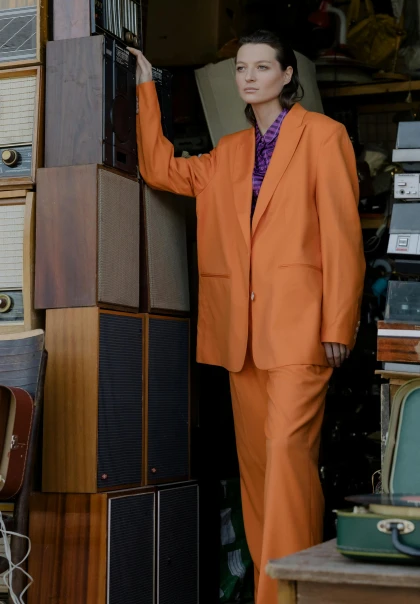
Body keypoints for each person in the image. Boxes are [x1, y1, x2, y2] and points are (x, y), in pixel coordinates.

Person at [130, 30, 365, 604]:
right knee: (261, 473)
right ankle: (289, 589)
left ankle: (278, 594)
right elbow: (161, 171)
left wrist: (339, 323)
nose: (251, 76)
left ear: (288, 76)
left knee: (287, 456)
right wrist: (145, 86)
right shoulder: (228, 151)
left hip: (300, 332)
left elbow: (342, 235)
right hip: (241, 338)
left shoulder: (324, 136)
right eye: (242, 68)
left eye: (264, 67)